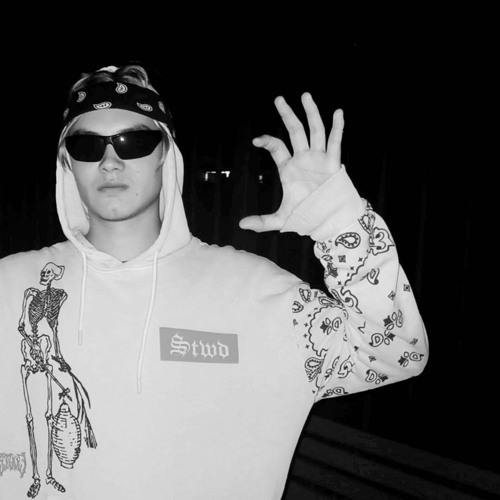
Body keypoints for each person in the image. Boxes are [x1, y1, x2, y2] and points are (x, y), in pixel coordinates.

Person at [0, 64, 428, 500]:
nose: (110, 162)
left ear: (165, 153)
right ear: (67, 161)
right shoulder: (9, 286)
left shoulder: (254, 293)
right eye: (87, 145)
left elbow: (395, 351)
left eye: (134, 141)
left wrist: (337, 218)